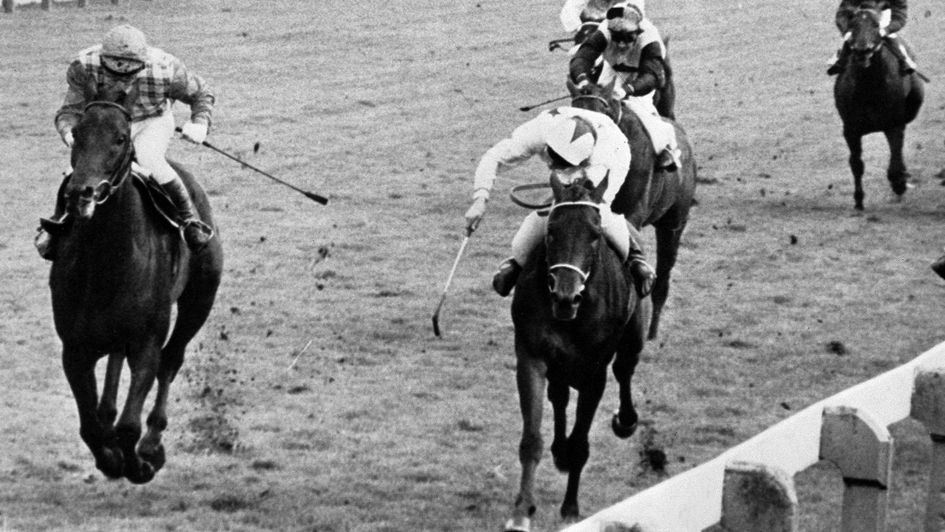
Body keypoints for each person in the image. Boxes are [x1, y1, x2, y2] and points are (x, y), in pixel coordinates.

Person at [35, 24, 216, 260]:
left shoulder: (166, 68)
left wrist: (200, 123)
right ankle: (58, 224)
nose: (122, 79)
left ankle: (188, 219)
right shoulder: (83, 65)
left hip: (151, 120)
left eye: (129, 72)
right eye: (114, 71)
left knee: (150, 158)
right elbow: (70, 109)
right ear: (102, 58)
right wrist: (69, 132)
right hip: (106, 124)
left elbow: (201, 93)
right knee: (75, 170)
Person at [464, 110, 656, 298]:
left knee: (594, 212)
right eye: (552, 158)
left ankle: (634, 257)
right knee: (553, 211)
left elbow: (588, 204)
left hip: (616, 149)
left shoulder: (605, 155)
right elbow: (494, 157)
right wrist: (480, 200)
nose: (552, 166)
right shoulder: (538, 131)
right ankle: (518, 262)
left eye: (562, 164)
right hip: (576, 137)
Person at [568, 0, 681, 171]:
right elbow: (582, 58)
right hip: (612, 68)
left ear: (638, 32)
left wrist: (627, 90)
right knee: (595, 105)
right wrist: (583, 80)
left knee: (642, 111)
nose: (621, 44)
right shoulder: (604, 31)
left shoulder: (650, 40)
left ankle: (667, 148)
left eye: (627, 40)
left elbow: (651, 76)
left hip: (640, 71)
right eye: (617, 39)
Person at [826, 0, 917, 76]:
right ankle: (840, 61)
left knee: (890, 36)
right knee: (854, 34)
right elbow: (843, 13)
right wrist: (846, 31)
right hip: (863, 12)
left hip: (884, 14)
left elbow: (900, 17)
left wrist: (886, 30)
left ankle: (904, 60)